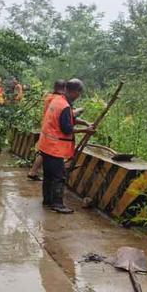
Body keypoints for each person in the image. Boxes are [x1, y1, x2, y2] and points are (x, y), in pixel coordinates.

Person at [38, 78, 95, 213]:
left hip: (46, 144)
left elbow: (70, 118)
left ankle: (47, 200)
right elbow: (67, 128)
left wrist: (85, 123)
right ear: (75, 91)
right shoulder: (64, 106)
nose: (78, 96)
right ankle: (57, 204)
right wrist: (85, 131)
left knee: (49, 175)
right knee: (59, 176)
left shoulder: (58, 101)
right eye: (79, 93)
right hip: (54, 147)